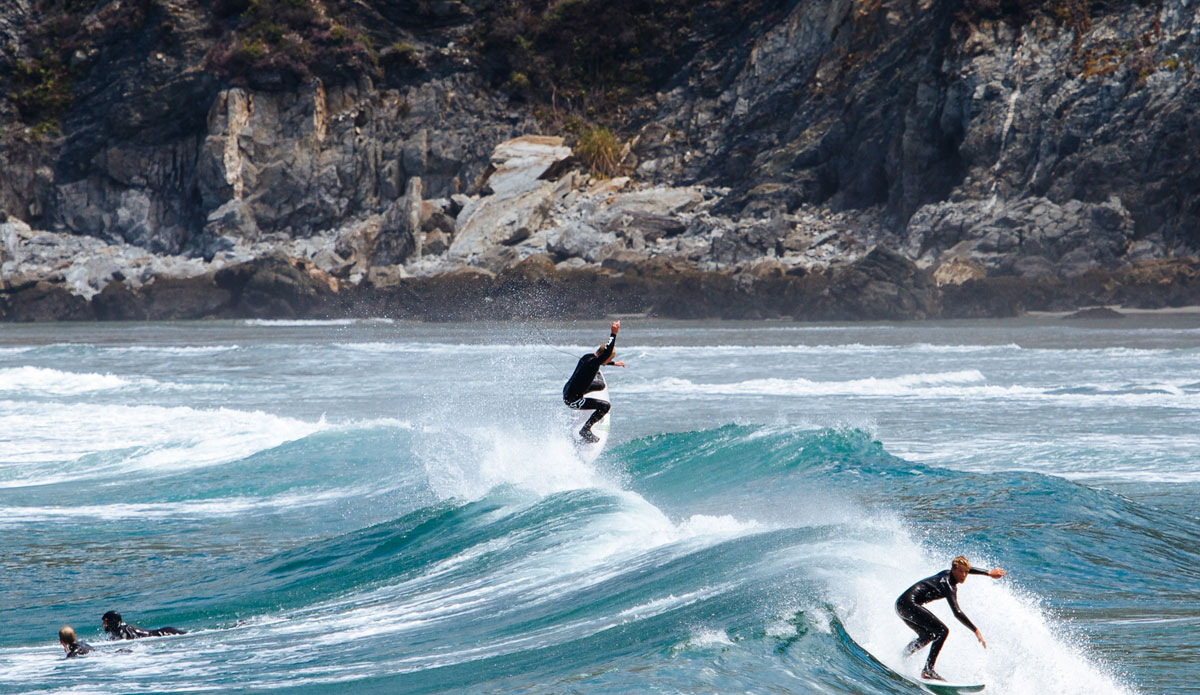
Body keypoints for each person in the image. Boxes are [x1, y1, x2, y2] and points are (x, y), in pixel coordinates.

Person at [895, 556, 1006, 681]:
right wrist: (975, 630)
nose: (964, 575)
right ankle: (928, 670)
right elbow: (957, 612)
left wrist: (988, 573)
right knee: (942, 631)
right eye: (961, 571)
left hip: (901, 605)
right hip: (908, 604)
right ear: (953, 570)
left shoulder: (947, 573)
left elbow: (968, 569)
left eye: (966, 572)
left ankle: (902, 657)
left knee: (929, 635)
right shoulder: (948, 585)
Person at [562, 320, 626, 443]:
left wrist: (613, 363)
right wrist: (613, 334)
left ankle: (585, 395)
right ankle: (585, 430)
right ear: (604, 358)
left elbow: (602, 356)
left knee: (600, 385)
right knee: (605, 406)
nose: (608, 362)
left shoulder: (588, 357)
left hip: (569, 389)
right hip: (572, 400)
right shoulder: (593, 363)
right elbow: (606, 354)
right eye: (609, 360)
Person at [102, 610, 186, 640]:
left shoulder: (126, 629)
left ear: (112, 621)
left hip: (164, 633)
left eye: (105, 622)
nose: (103, 625)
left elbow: (135, 640)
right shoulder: (117, 632)